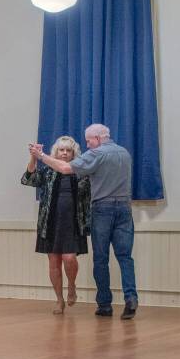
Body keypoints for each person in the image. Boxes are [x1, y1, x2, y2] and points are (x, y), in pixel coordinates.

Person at [35, 123, 139, 319]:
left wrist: (40, 156)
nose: (88, 144)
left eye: (89, 140)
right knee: (125, 257)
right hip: (125, 208)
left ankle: (105, 304)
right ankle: (131, 298)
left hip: (103, 209)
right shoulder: (124, 153)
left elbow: (66, 168)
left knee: (101, 259)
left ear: (98, 139)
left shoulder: (97, 154)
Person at [21, 136, 90, 314]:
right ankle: (59, 300)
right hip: (50, 222)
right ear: (56, 152)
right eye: (62, 150)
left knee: (69, 258)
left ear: (74, 153)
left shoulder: (80, 170)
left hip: (74, 222)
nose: (65, 153)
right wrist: (34, 157)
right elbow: (28, 179)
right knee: (54, 262)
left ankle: (72, 286)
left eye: (68, 150)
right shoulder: (48, 172)